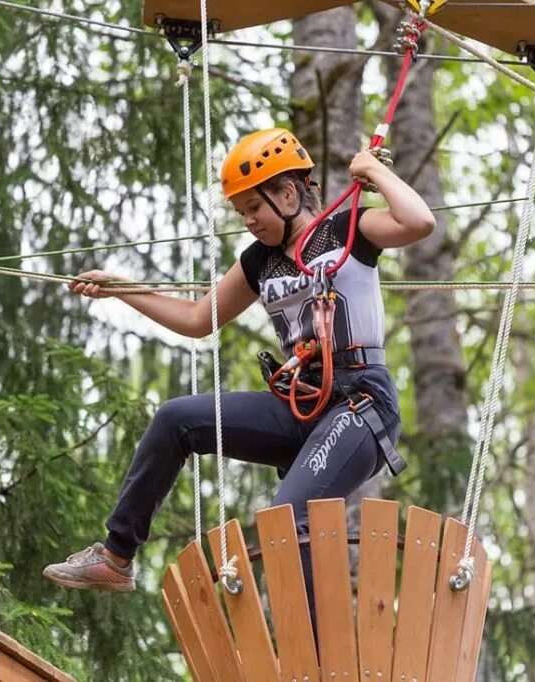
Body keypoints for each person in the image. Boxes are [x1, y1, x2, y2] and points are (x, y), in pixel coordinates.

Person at [43, 128, 434, 599]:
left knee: (289, 515)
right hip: (302, 402)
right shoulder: (259, 261)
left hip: (360, 401)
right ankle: (116, 557)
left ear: (288, 192)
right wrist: (124, 290)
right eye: (241, 212)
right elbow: (196, 317)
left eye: (253, 207)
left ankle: (312, 652)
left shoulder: (348, 228)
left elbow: (419, 223)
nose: (248, 221)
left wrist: (372, 170)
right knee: (175, 420)